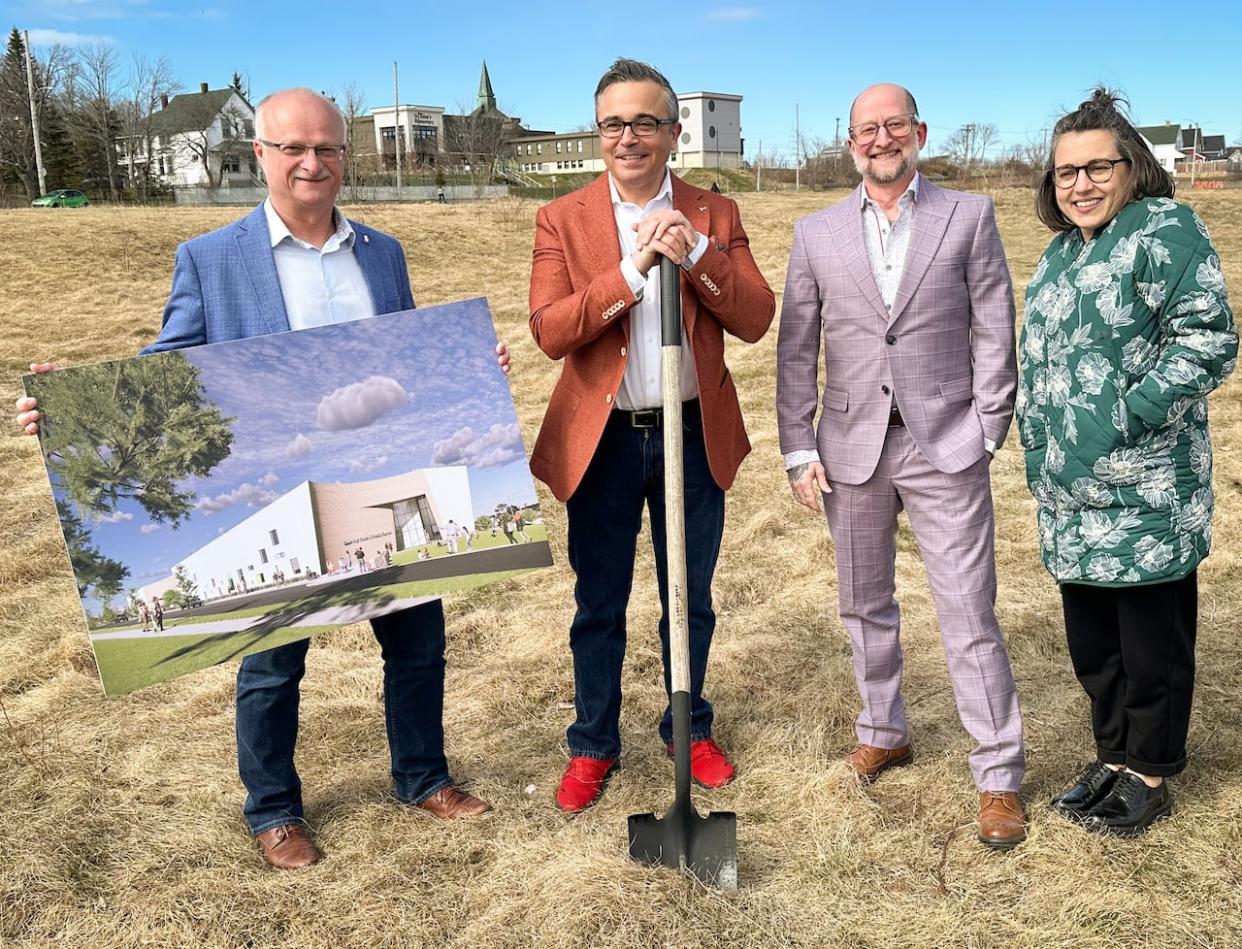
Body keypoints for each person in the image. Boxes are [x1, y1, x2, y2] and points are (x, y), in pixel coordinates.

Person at [14, 87, 510, 870]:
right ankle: (274, 808)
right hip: (279, 479)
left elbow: (408, 351)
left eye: (327, 149)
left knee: (418, 639)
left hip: (378, 470)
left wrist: (470, 371)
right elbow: (171, 364)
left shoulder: (382, 252)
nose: (312, 163)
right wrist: (79, 403)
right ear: (262, 156)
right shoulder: (211, 259)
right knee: (273, 660)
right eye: (293, 148)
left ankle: (424, 777)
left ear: (346, 156)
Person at [776, 82, 1027, 848]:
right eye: (866, 130)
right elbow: (797, 347)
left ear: (917, 131)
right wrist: (797, 443)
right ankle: (883, 727)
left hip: (945, 442)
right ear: (849, 143)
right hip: (849, 446)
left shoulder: (969, 216)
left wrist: (986, 428)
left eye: (893, 126)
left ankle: (998, 774)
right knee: (863, 602)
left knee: (966, 608)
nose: (880, 139)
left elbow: (995, 323)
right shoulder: (816, 232)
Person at [528, 58, 774, 812]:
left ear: (673, 132)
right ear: (597, 132)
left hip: (693, 434)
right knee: (598, 600)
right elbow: (550, 330)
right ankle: (593, 743)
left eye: (645, 122)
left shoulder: (714, 212)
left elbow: (756, 317)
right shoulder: (562, 218)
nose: (628, 137)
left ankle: (687, 726)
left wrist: (694, 254)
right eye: (613, 123)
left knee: (689, 596)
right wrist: (634, 269)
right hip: (603, 442)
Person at [1016, 89, 1236, 837]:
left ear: (1131, 165)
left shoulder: (1165, 230)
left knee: (1151, 642)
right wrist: (1040, 444)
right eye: (1065, 173)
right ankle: (1112, 754)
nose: (1079, 184)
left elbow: (1207, 338)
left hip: (1144, 489)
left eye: (1096, 167)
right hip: (1071, 494)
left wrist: (1127, 416)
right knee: (1095, 643)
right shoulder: (1059, 252)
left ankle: (1151, 770)